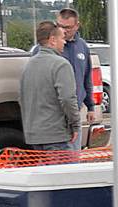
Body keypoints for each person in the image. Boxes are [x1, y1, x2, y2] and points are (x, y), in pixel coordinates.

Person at [20, 22, 80, 151]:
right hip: (56, 136)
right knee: (66, 171)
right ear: (52, 40)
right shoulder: (61, 65)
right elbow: (68, 99)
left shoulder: (28, 65)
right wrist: (75, 125)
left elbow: (22, 98)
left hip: (34, 136)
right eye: (62, 38)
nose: (64, 42)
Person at [55, 7, 97, 146]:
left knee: (74, 154)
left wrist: (91, 107)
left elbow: (86, 77)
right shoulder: (51, 46)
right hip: (55, 112)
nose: (64, 31)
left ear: (77, 25)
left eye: (68, 27)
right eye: (60, 26)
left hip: (75, 110)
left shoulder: (82, 46)